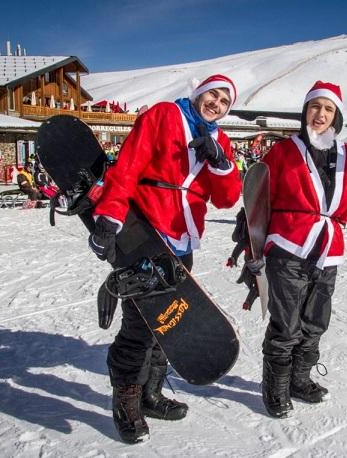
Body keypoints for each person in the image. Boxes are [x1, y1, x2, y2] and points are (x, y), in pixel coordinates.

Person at [88, 74, 242, 443]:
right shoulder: (164, 114)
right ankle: (126, 399)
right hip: (146, 231)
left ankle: (150, 394)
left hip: (184, 239)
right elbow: (127, 166)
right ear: (199, 93)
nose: (216, 104)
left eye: (224, 101)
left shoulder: (219, 139)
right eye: (212, 95)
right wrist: (109, 219)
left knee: (170, 324)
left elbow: (227, 198)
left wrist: (220, 163)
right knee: (140, 326)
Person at [258, 81, 347, 418]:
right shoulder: (283, 151)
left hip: (328, 250)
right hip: (288, 246)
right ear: (304, 112)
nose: (320, 114)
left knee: (315, 321)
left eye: (328, 109)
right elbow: (259, 198)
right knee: (286, 324)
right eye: (314, 107)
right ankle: (275, 389)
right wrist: (252, 246)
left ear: (337, 116)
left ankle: (299, 380)